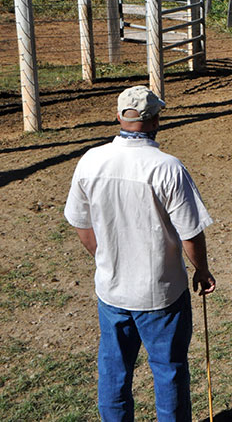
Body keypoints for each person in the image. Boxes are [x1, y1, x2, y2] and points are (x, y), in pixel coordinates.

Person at [64, 85, 216, 422]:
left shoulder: (91, 160)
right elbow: (190, 232)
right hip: (161, 293)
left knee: (114, 371)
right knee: (169, 370)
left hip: (113, 290)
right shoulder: (168, 168)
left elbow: (80, 223)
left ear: (118, 116)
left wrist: (104, 258)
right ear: (155, 121)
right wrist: (202, 270)